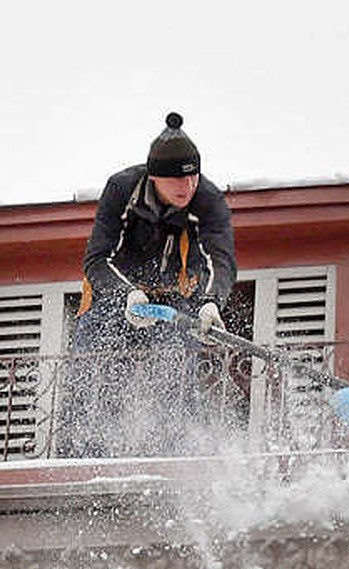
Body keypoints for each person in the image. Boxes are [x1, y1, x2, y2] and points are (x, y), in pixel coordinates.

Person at [57, 112, 237, 458]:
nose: (188, 188)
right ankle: (79, 456)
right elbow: (97, 259)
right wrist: (128, 294)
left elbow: (221, 258)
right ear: (154, 177)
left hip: (172, 302)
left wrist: (212, 301)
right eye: (177, 182)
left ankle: (177, 455)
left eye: (193, 177)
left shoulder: (209, 200)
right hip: (114, 295)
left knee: (176, 372)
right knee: (94, 371)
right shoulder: (121, 189)